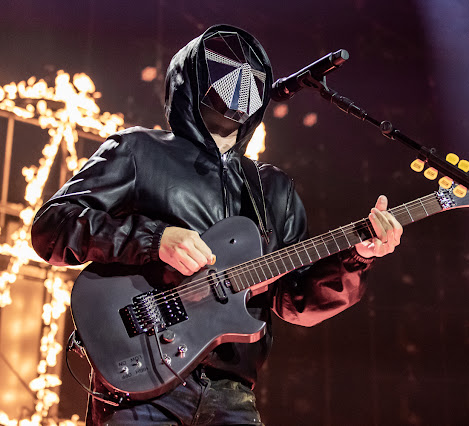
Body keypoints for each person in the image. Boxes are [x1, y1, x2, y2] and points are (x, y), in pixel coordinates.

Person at [31, 24, 402, 425]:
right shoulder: (138, 151)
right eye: (227, 66)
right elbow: (51, 227)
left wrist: (356, 259)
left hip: (231, 393)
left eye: (250, 72)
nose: (240, 78)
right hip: (141, 378)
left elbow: (296, 301)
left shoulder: (273, 188)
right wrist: (155, 239)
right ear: (191, 76)